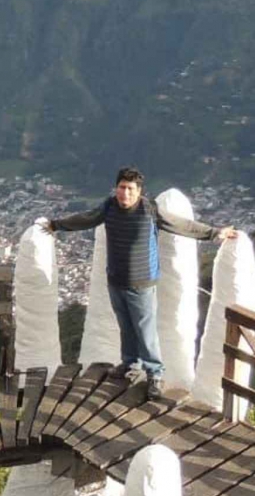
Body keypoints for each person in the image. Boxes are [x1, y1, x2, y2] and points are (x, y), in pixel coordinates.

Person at [42, 167, 236, 401]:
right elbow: (86, 219)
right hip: (116, 280)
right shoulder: (109, 206)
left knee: (145, 331)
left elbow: (182, 225)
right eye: (122, 188)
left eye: (130, 189)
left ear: (139, 191)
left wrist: (215, 233)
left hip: (141, 283)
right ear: (116, 188)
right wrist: (56, 225)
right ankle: (130, 363)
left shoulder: (149, 210)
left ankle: (155, 374)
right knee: (126, 326)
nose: (125, 193)